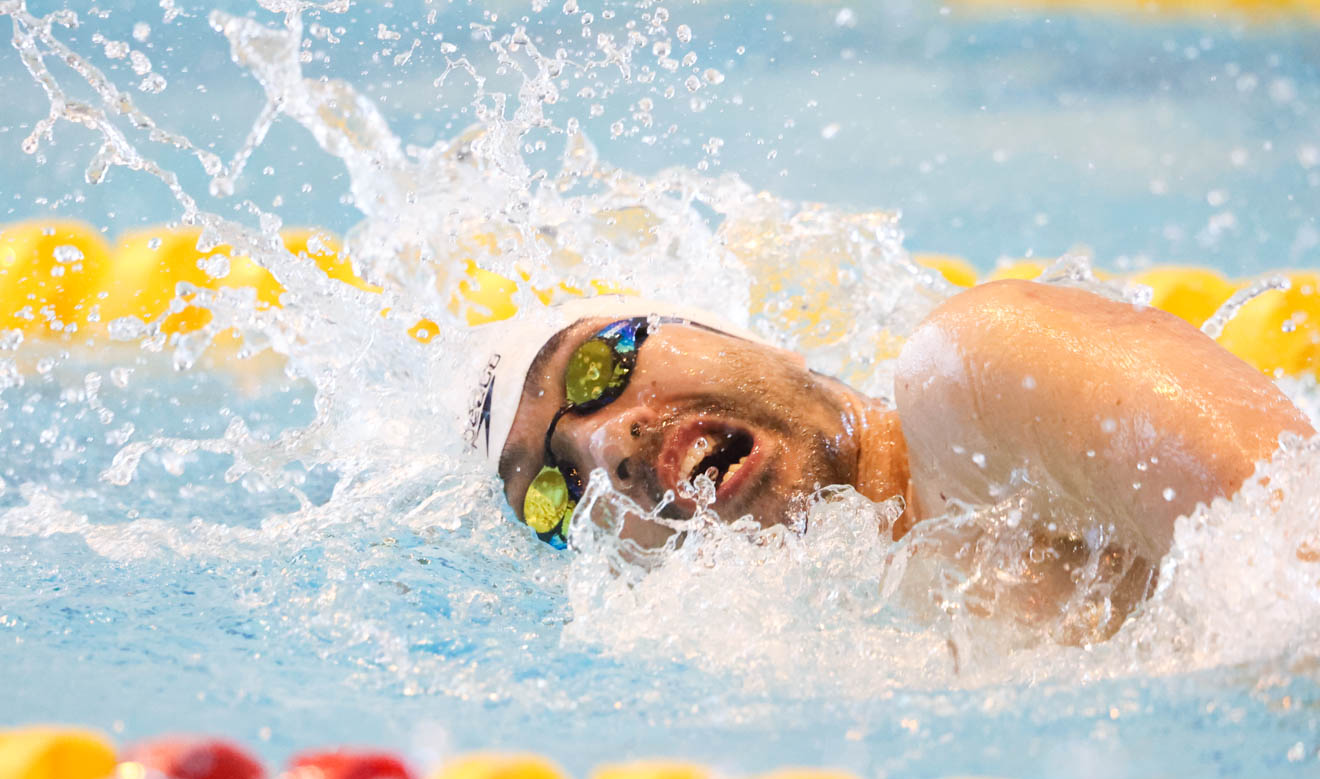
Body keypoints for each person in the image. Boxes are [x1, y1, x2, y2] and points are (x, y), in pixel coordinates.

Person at [466, 280, 1313, 623]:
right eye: (553, 493)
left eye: (600, 363)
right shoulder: (855, 643)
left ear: (736, 335)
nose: (607, 443)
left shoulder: (974, 379)